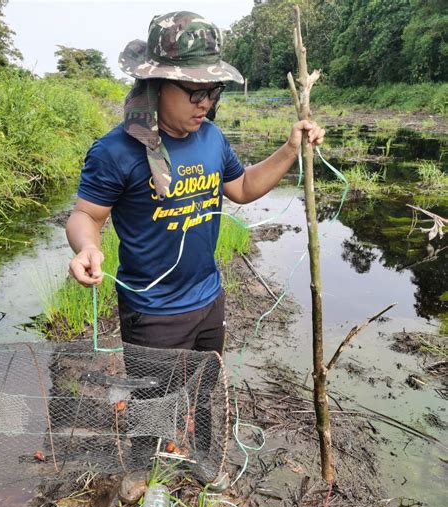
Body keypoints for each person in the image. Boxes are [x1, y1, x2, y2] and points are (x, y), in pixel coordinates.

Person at [67, 11, 325, 355]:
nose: (205, 103)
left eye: (212, 91)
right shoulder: (115, 151)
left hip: (208, 299)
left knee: (201, 397)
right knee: (158, 409)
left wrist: (290, 149)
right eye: (194, 91)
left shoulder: (212, 138)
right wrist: (87, 248)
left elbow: (243, 187)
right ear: (157, 85)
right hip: (153, 313)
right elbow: (86, 215)